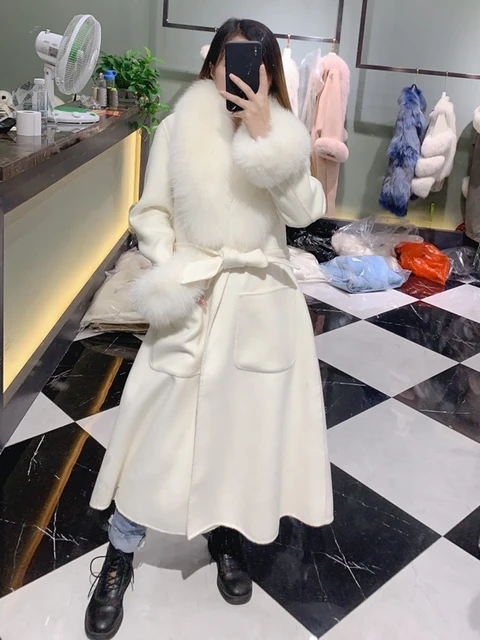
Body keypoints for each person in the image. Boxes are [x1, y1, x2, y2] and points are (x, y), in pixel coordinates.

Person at [84, 17, 333, 640]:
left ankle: (226, 536)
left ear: (268, 71)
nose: (238, 72)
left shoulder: (283, 132)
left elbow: (306, 212)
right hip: (193, 296)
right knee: (155, 426)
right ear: (213, 63)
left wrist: (267, 138)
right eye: (229, 59)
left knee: (241, 432)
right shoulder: (179, 127)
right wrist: (175, 270)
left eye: (254, 61)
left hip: (260, 303)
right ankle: (120, 552)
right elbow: (151, 213)